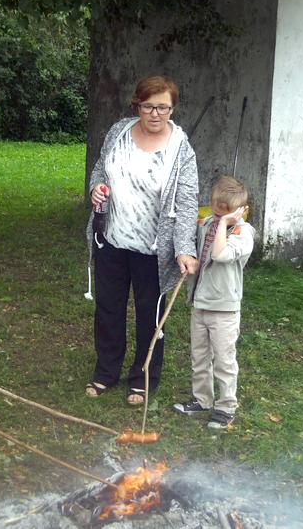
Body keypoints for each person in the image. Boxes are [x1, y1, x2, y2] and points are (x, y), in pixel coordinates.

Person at [85, 75, 199, 406]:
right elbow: (100, 170)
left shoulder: (181, 149)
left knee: (150, 314)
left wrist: (184, 248)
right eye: (148, 106)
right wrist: (96, 189)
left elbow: (186, 202)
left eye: (163, 107)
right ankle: (106, 371)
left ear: (172, 109)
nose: (155, 114)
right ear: (137, 105)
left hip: (153, 249)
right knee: (108, 309)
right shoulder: (119, 132)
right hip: (112, 240)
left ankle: (143, 376)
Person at [173, 175, 254, 430]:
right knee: (199, 356)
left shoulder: (242, 233)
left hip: (224, 309)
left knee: (224, 361)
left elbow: (219, 254)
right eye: (216, 212)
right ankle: (202, 399)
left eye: (225, 214)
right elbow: (197, 249)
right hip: (201, 303)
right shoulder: (207, 224)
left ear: (241, 211)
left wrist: (225, 224)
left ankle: (226, 406)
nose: (218, 218)